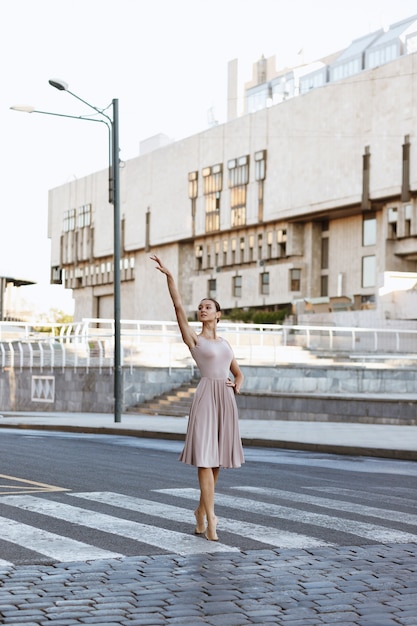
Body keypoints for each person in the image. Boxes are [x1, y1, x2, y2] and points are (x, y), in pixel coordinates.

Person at [151, 254, 244, 541]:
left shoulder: (225, 343)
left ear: (218, 314)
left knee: (216, 463)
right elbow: (178, 307)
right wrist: (170, 278)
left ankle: (200, 511)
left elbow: (238, 372)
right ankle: (212, 518)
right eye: (201, 307)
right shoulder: (194, 339)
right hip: (206, 397)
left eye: (209, 307)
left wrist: (238, 383)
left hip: (225, 401)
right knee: (205, 459)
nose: (202, 309)